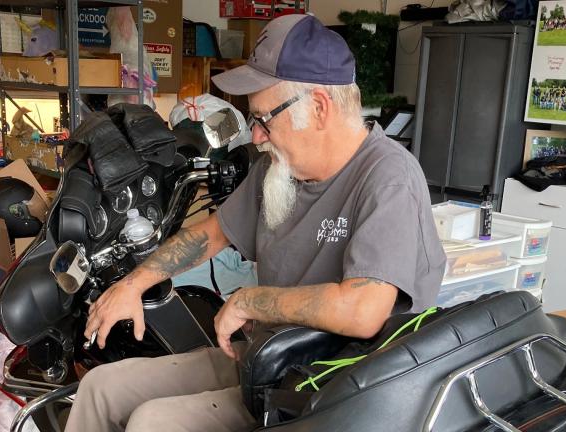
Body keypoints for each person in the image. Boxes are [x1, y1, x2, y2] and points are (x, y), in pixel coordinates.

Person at [64, 14, 446, 432]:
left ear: (318, 107)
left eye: (264, 118)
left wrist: (249, 300)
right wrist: (132, 284)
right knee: (101, 387)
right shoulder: (278, 170)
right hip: (266, 359)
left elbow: (362, 311)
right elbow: (211, 233)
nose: (256, 136)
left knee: (154, 423)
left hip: (327, 390)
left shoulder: (389, 176)